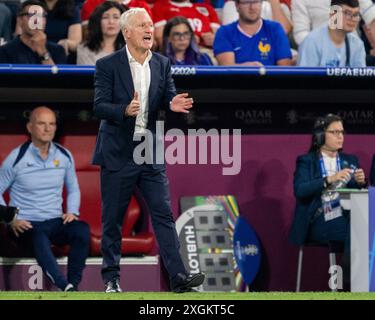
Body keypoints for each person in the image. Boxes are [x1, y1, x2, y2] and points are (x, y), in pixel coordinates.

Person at [92, 8, 205, 293]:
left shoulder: (162, 63)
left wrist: (172, 103)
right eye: (142, 25)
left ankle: (178, 278)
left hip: (149, 150)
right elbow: (99, 106)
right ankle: (111, 279)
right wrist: (123, 110)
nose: (148, 29)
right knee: (113, 219)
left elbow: (167, 95)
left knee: (163, 214)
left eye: (151, 24)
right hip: (118, 151)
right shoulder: (108, 65)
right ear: (126, 32)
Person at [0, 106, 90, 292]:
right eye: (41, 124)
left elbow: (73, 189)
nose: (47, 129)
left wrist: (72, 211)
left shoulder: (64, 156)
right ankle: (64, 286)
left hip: (55, 221)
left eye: (52, 124)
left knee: (81, 230)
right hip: (26, 225)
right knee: (38, 235)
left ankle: (74, 285)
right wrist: (11, 219)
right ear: (30, 127)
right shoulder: (16, 158)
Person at [289, 113, 366, 288]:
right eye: (335, 132)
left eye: (342, 132)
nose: (341, 136)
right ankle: (350, 283)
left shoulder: (350, 160)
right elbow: (300, 191)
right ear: (320, 136)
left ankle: (351, 281)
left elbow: (357, 194)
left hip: (347, 215)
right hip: (318, 218)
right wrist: (328, 180)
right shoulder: (307, 161)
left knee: (361, 224)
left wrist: (361, 182)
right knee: (357, 229)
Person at [213, 0, 292, 66]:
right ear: (237, 6)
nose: (252, 7)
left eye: (256, 2)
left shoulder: (275, 29)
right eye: (247, 2)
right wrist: (248, 68)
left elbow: (285, 67)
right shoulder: (224, 32)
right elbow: (227, 69)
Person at [297, 0, 366, 67]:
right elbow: (306, 77)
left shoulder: (358, 44)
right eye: (347, 13)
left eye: (356, 14)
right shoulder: (312, 42)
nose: (353, 19)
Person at [0, 0, 66, 64]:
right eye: (31, 16)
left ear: (45, 21)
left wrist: (43, 52)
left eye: (39, 16)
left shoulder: (58, 50)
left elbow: (57, 74)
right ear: (20, 20)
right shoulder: (5, 51)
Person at [291, 0, 375, 46]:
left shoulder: (356, 44)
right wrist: (324, 47)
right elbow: (301, 33)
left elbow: (372, 16)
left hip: (352, 46)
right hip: (317, 49)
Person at [152, 0, 221, 50]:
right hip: (177, 52)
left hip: (208, 51)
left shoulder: (207, 8)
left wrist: (214, 40)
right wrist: (189, 41)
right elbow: (161, 40)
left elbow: (221, 37)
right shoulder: (160, 6)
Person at [77, 1, 125, 65]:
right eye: (105, 17)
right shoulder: (84, 49)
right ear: (98, 21)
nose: (111, 22)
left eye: (116, 17)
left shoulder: (131, 49)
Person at [222, 0, 292, 34]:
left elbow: (283, 31)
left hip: (275, 53)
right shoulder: (232, 5)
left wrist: (274, 2)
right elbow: (234, 37)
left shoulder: (280, 6)